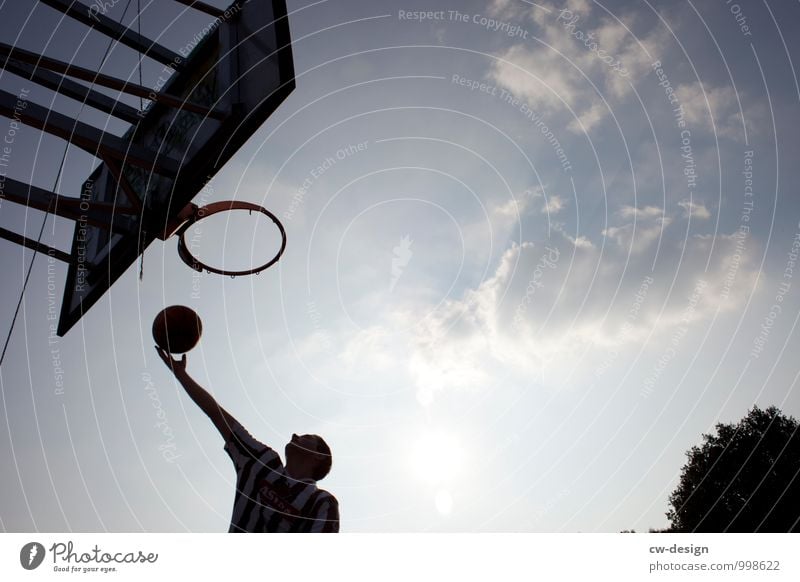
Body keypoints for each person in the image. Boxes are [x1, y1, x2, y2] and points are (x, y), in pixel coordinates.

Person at [156, 347, 339, 532]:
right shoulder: (263, 460)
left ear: (319, 456)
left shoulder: (322, 503)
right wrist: (181, 375)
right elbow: (217, 414)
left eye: (307, 437)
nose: (295, 435)